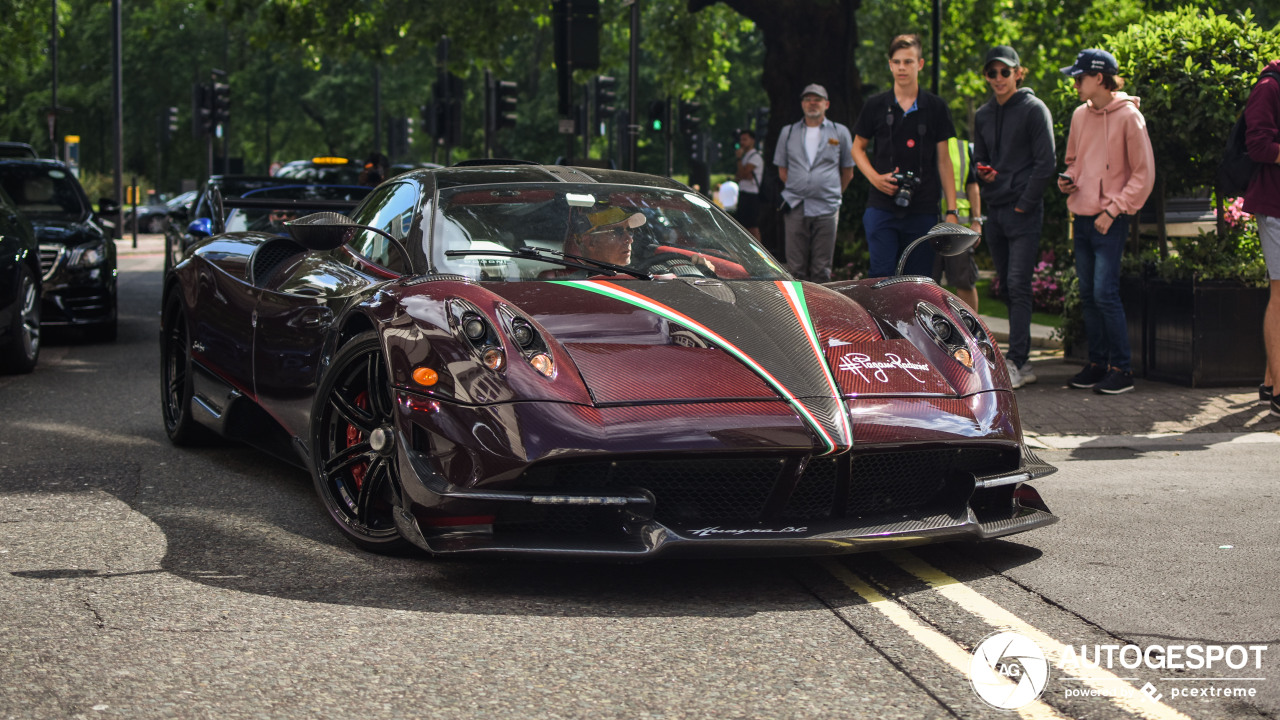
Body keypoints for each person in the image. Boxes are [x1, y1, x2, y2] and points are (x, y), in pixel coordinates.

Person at [1057, 48, 1155, 395]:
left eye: (1079, 78)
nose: (1075, 84)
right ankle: (1098, 364)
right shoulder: (1079, 116)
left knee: (1105, 294)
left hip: (1110, 221)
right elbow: (1073, 161)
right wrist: (1066, 179)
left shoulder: (1130, 117)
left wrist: (1113, 210)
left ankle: (1122, 369)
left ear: (1099, 78)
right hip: (1082, 218)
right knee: (1087, 295)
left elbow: (1144, 174)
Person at [973, 45, 1057, 389]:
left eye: (1004, 72)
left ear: (1018, 73)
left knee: (1019, 285)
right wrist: (985, 176)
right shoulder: (983, 114)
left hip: (1023, 214)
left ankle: (1020, 362)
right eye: (991, 73)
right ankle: (1014, 357)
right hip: (996, 212)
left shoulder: (1035, 110)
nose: (997, 79)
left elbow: (1046, 163)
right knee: (1006, 286)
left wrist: (1024, 203)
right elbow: (980, 160)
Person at [852, 34, 959, 278]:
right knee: (881, 276)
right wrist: (875, 178)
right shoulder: (875, 105)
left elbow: (944, 160)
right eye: (897, 61)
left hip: (923, 207)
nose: (902, 67)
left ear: (920, 64)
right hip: (881, 206)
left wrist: (951, 210)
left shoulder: (936, 107)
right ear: (890, 64)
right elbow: (856, 148)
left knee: (918, 281)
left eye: (908, 61)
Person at [773, 83, 855, 282]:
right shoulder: (788, 132)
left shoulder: (840, 132)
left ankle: (820, 311)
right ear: (802, 104)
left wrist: (832, 192)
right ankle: (794, 311)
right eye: (808, 99)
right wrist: (801, 186)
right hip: (795, 204)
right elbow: (782, 170)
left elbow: (848, 171)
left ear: (826, 104)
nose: (812, 103)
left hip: (827, 206)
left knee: (822, 269)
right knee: (794, 269)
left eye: (817, 99)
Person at [1242, 60, 1280, 417]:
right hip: (1275, 206)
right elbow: (1258, 146)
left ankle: (1271, 381)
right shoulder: (1269, 86)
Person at [932, 137, 982, 311]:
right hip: (925, 224)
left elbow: (972, 185)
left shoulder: (961, 147)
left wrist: (977, 220)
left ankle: (972, 334)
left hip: (957, 227)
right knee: (924, 281)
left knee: (964, 280)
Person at [734, 129, 764, 240]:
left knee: (752, 227)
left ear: (752, 140)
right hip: (744, 194)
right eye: (741, 139)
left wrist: (738, 159)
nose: (742, 142)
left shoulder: (755, 157)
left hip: (752, 196)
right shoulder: (746, 157)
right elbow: (739, 176)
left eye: (745, 139)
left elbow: (742, 173)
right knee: (744, 226)